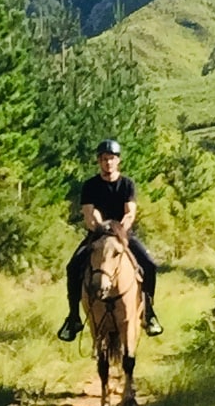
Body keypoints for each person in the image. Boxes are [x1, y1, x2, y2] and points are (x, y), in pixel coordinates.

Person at [57, 139, 163, 341]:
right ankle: (73, 318)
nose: (108, 163)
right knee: (73, 267)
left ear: (118, 161)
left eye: (111, 159)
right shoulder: (90, 185)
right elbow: (89, 213)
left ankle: (149, 313)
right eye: (104, 159)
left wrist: (120, 229)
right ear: (99, 161)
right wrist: (100, 227)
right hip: (97, 236)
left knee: (149, 265)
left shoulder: (127, 184)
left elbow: (130, 212)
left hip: (123, 235)